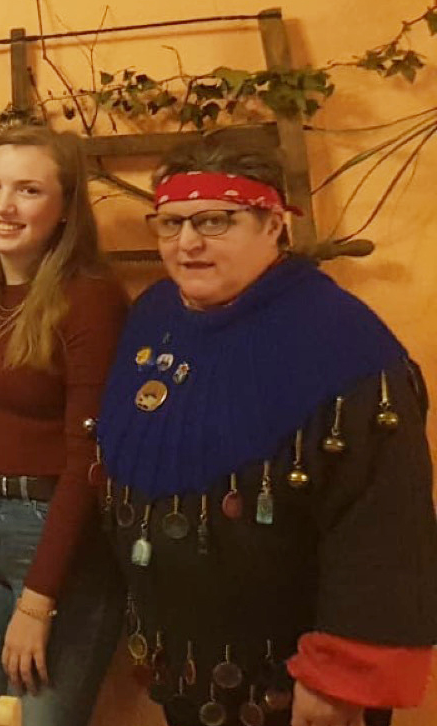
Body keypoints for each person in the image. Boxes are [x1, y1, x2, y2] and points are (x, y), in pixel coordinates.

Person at [96, 133, 436, 726]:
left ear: (274, 224)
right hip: (189, 671)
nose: (188, 243)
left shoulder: (344, 344)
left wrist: (337, 678)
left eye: (216, 221)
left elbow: (383, 525)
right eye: (171, 223)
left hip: (294, 685)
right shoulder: (154, 313)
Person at [0, 127, 127, 726]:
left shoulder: (90, 299)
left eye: (28, 190)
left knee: (38, 717)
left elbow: (91, 457)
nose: (4, 206)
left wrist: (39, 599)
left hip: (55, 533)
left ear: (66, 208)